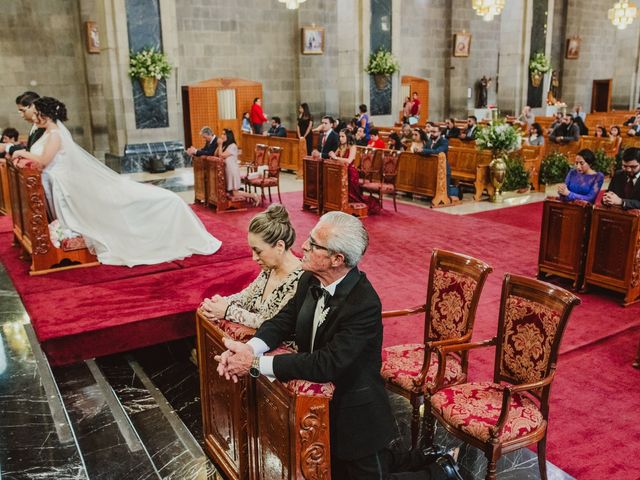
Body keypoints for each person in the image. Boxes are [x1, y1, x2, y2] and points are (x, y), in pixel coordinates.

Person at [214, 212, 452, 479]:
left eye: (314, 244)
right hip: (320, 405)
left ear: (337, 259)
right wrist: (250, 349)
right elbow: (283, 320)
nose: (303, 245)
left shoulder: (364, 303)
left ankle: (440, 472)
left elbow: (327, 363)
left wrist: (255, 365)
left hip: (356, 413)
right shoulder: (309, 279)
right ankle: (425, 455)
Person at [11, 96, 221, 266]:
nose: (34, 116)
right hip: (60, 184)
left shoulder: (55, 134)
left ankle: (167, 211)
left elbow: (44, 160)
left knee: (138, 200)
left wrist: (21, 152)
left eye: (37, 113)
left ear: (45, 115)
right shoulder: (47, 133)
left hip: (63, 184)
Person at [200, 204, 303, 329]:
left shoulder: (301, 279)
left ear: (280, 246)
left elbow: (275, 324)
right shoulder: (269, 269)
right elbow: (246, 297)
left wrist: (228, 311)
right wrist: (216, 304)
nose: (254, 258)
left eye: (258, 251)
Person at [329, 129, 380, 214]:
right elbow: (334, 157)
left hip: (350, 173)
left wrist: (336, 158)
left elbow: (349, 161)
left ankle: (349, 207)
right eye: (340, 136)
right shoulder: (340, 146)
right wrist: (331, 156)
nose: (340, 138)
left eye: (343, 136)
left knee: (353, 197)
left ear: (348, 137)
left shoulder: (352, 147)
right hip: (340, 172)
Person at [215, 128, 260, 205]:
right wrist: (219, 145)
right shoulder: (226, 146)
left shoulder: (233, 146)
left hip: (232, 171)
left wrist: (220, 144)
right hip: (227, 170)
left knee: (235, 192)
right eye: (221, 134)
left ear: (229, 136)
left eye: (224, 134)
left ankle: (253, 196)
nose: (222, 136)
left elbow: (221, 155)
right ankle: (252, 196)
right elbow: (216, 154)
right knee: (231, 191)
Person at [421, 125, 460, 200]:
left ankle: (455, 192)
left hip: (443, 168)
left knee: (445, 190)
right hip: (432, 167)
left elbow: (437, 152)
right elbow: (424, 149)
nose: (432, 133)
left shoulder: (444, 141)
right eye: (431, 131)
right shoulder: (429, 141)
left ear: (439, 132)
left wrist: (423, 150)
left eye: (434, 132)